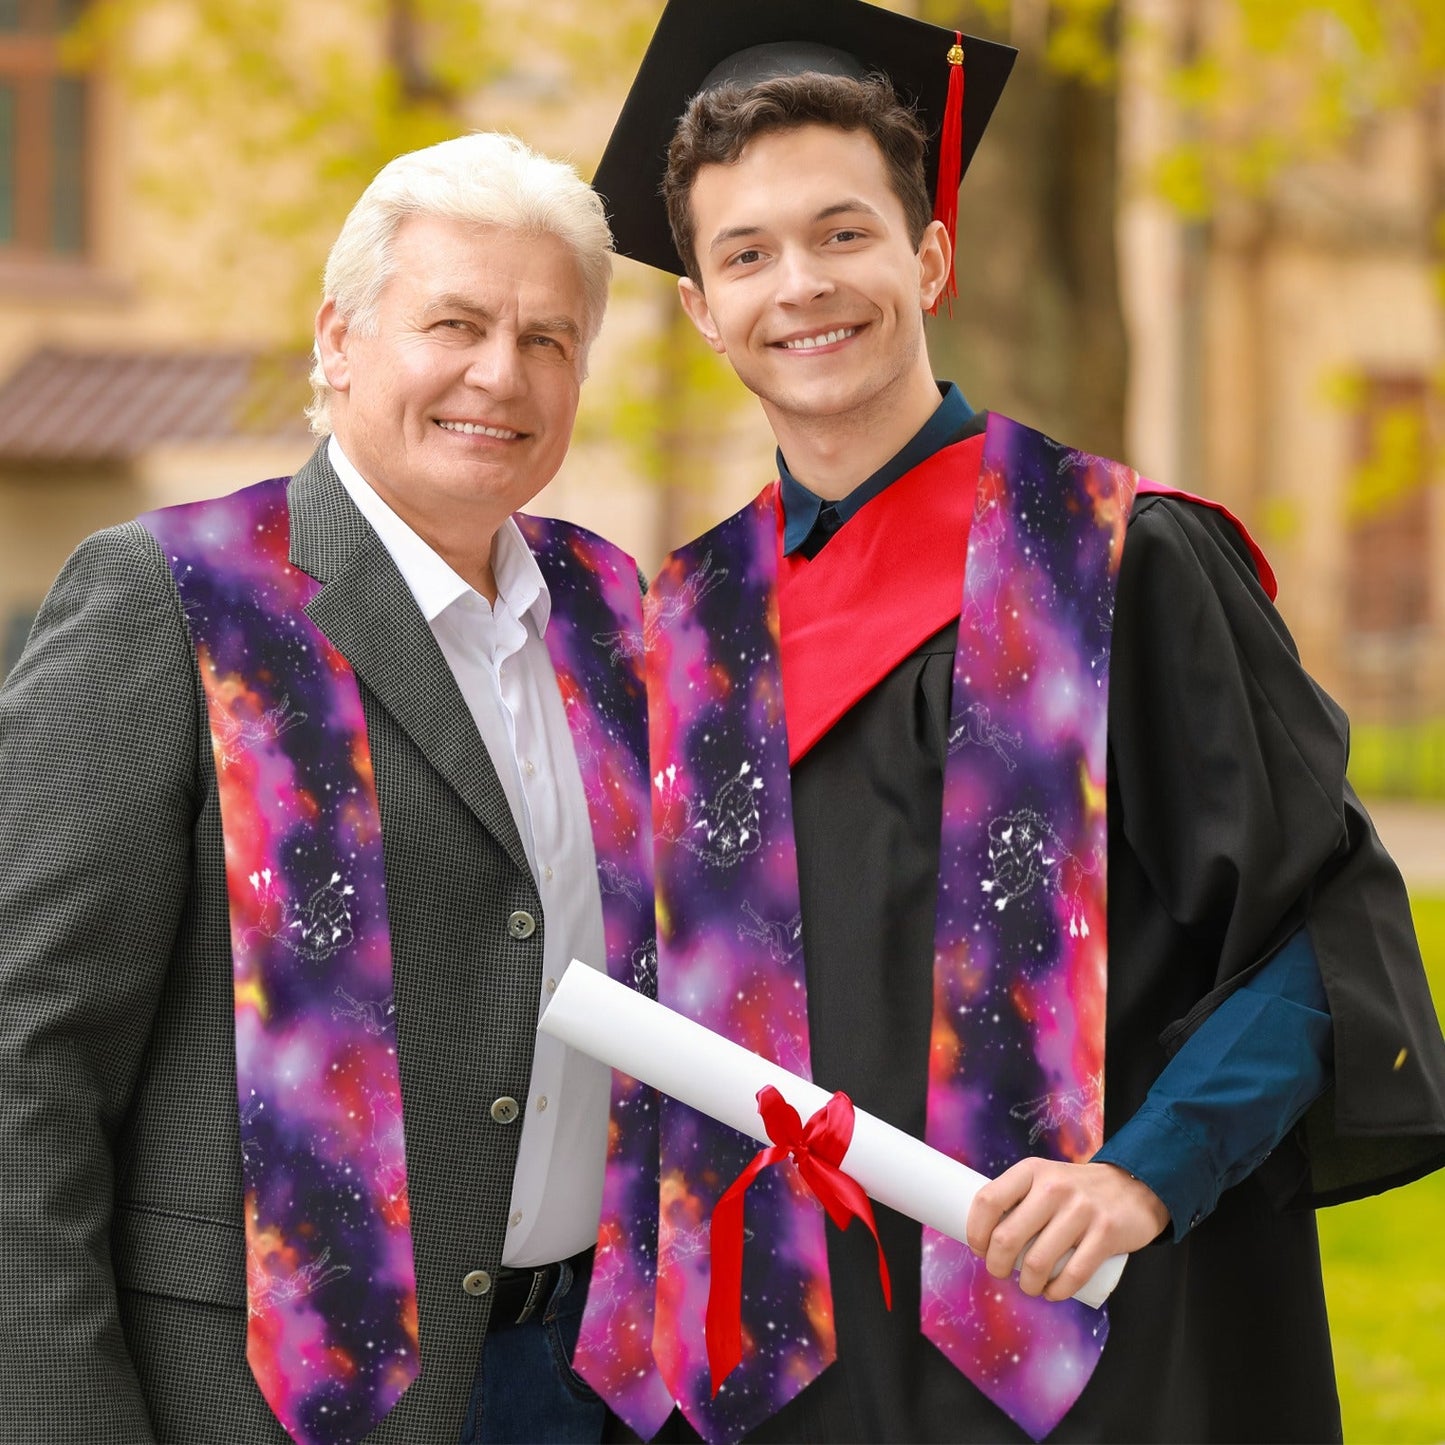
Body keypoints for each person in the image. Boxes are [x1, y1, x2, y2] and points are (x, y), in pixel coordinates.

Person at [573, 1, 1445, 1440]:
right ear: (700, 307)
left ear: (927, 254)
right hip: (780, 1376)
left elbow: (1317, 933)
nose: (800, 285)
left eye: (842, 233)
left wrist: (1143, 1171)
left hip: (1093, 1343)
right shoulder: (683, 629)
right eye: (745, 254)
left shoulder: (1118, 561)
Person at [0, 132, 656, 1445]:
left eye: (546, 338)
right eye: (455, 322)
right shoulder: (175, 597)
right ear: (340, 339)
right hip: (263, 1401)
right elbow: (27, 1057)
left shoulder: (615, 615)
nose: (499, 373)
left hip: (587, 1386)